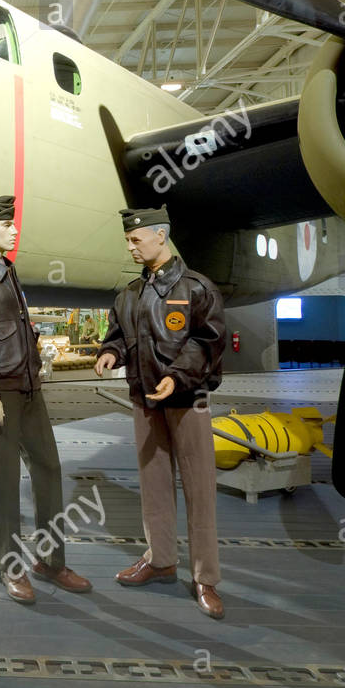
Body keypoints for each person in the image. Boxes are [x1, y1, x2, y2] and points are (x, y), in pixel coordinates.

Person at [0, 194, 92, 605]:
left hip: (29, 387)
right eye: (6, 224)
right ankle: (9, 566)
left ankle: (51, 561)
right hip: (1, 392)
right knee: (6, 482)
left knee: (48, 467)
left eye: (13, 224)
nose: (14, 230)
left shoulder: (4, 271)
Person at [95, 205, 228, 620]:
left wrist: (177, 376)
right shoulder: (129, 295)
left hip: (188, 402)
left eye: (136, 239)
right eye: (128, 240)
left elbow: (208, 340)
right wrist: (109, 353)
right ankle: (161, 560)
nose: (130, 247)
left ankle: (205, 578)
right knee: (153, 487)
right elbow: (119, 336)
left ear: (160, 236)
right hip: (145, 403)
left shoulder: (197, 288)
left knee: (199, 491)